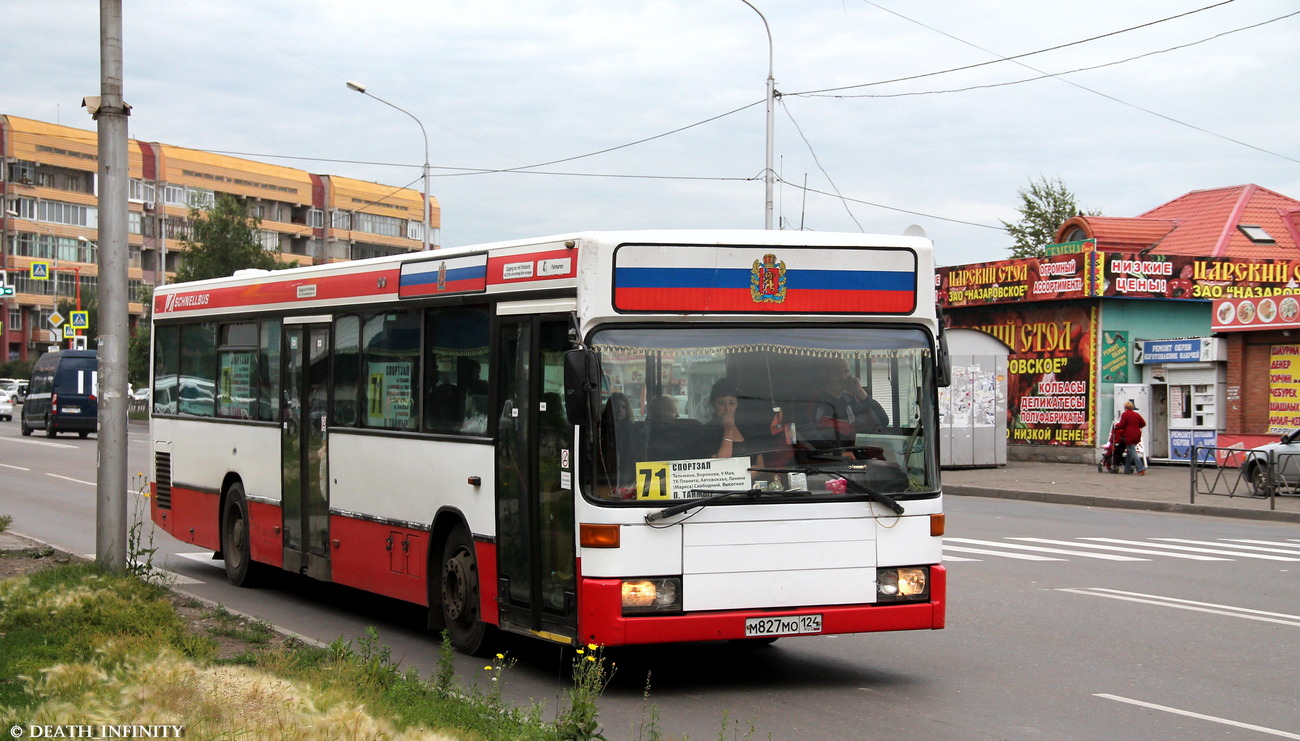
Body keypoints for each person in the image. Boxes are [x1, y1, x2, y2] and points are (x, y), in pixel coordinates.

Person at [804, 357, 888, 449]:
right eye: (838, 372)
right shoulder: (813, 402)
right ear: (825, 373)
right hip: (823, 459)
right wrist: (838, 453)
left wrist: (861, 393)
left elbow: (883, 421)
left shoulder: (852, 402)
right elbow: (807, 434)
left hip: (853, 458)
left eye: (846, 372)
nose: (843, 377)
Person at [1113, 400, 1147, 475]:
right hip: (1137, 435)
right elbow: (1143, 423)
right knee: (1129, 452)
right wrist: (1136, 426)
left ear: (1125, 407)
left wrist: (1116, 425)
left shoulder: (1125, 414)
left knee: (1132, 452)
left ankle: (1141, 468)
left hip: (1129, 435)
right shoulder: (1136, 414)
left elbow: (1122, 425)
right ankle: (1127, 469)